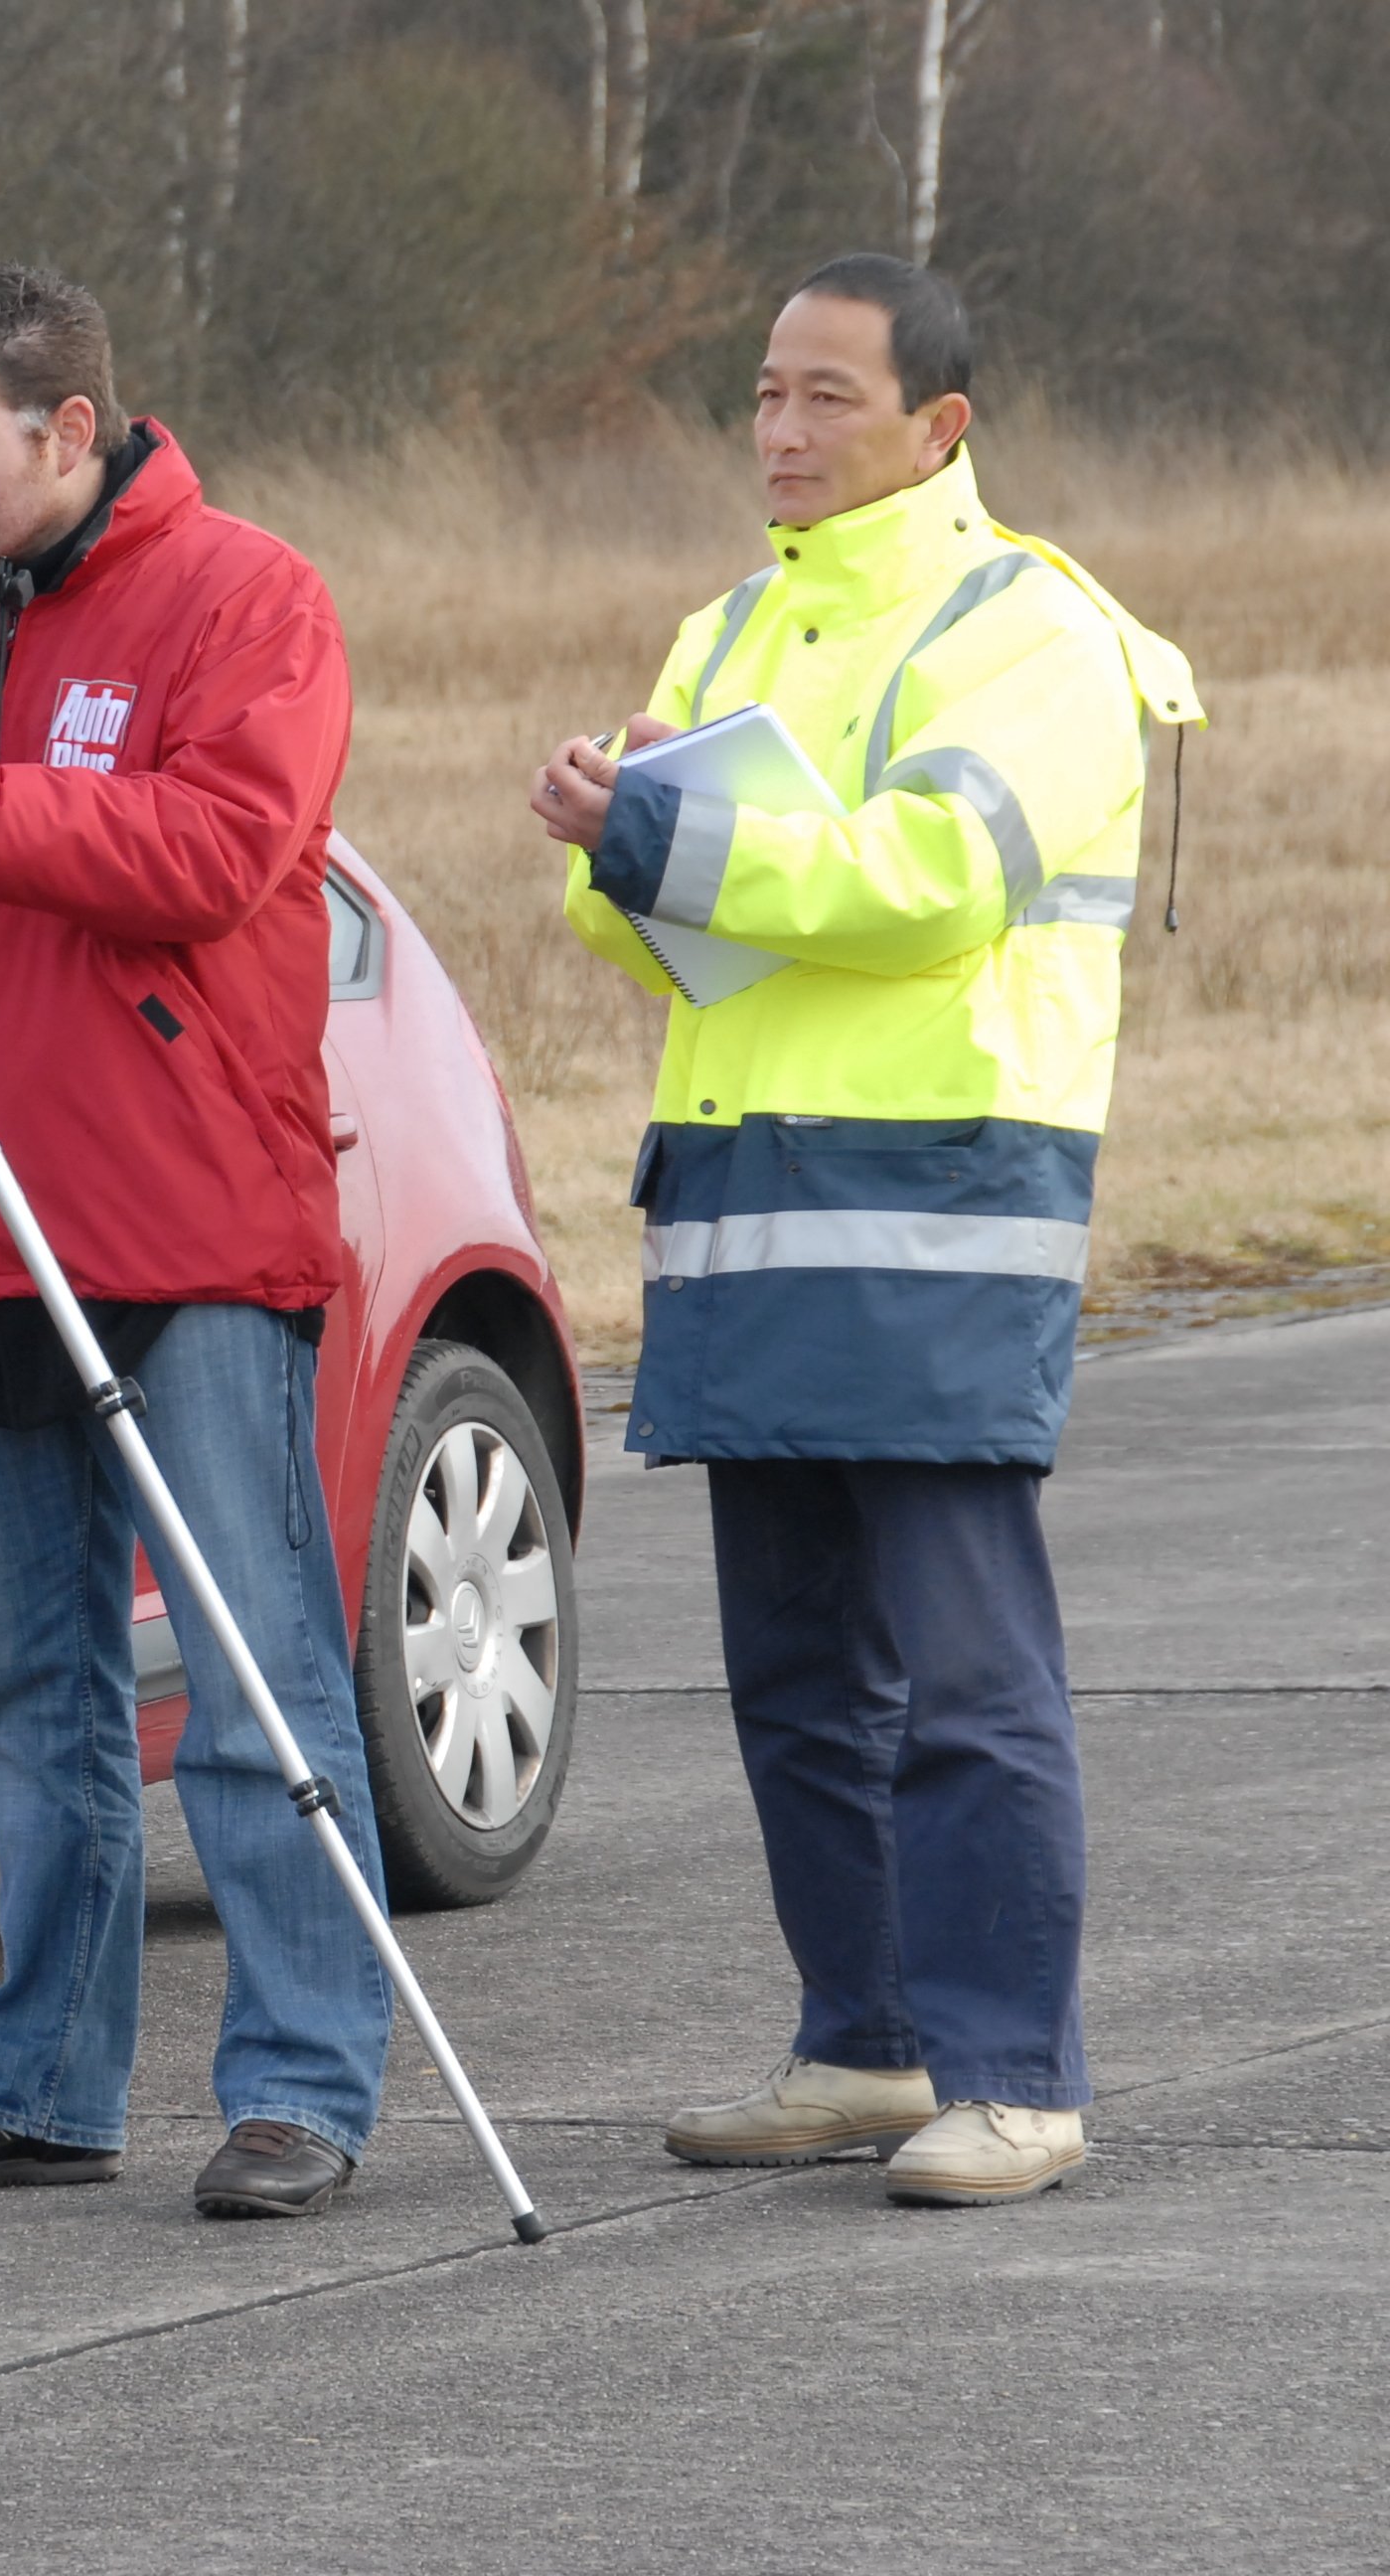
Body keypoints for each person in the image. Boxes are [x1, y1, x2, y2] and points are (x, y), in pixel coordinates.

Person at [531, 254, 1201, 2206]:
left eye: (825, 398)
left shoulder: (1039, 633)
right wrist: (605, 830)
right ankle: (865, 2047)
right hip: (743, 1204)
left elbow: (935, 878)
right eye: (762, 394)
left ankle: (1019, 2081)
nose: (780, 432)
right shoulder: (725, 625)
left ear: (939, 427)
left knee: (963, 1676)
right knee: (799, 1672)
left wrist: (649, 833)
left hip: (936, 1210)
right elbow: (620, 916)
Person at [0, 261, 388, 2220]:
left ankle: (301, 2084)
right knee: (31, 1692)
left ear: (73, 432)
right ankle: (38, 2077)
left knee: (251, 1667)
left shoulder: (245, 599)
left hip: (182, 1222)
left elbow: (214, 856)